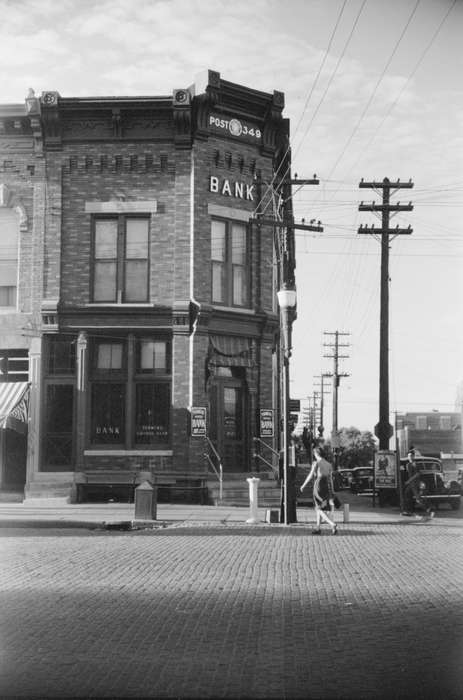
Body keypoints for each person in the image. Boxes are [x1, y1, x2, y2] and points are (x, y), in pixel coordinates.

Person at [300, 447, 337, 535]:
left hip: (318, 486)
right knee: (321, 507)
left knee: (319, 508)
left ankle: (332, 524)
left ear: (316, 454)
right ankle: (318, 528)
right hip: (326, 487)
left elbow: (310, 475)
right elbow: (331, 479)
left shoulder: (316, 463)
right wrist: (332, 490)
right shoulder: (329, 464)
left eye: (314, 454)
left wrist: (303, 485)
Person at [402, 448, 434, 519]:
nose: (409, 457)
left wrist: (409, 481)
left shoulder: (415, 464)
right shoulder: (408, 464)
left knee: (418, 498)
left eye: (411, 456)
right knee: (406, 494)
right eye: (408, 456)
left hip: (415, 483)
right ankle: (407, 510)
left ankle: (430, 510)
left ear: (413, 456)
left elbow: (418, 474)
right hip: (411, 483)